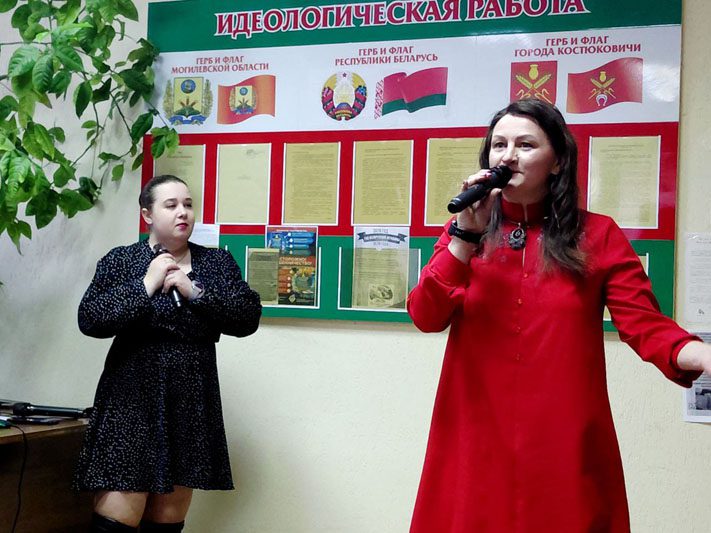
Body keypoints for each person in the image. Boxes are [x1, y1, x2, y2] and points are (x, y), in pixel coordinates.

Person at [407, 99, 711, 532]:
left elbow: (644, 324)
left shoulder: (599, 235)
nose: (507, 156)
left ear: (558, 161)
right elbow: (425, 315)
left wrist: (702, 355)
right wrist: (464, 238)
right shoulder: (464, 233)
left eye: (525, 145)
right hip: (475, 433)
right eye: (499, 145)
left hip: (563, 436)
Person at [74, 175, 262, 532]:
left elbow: (247, 317)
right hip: (131, 403)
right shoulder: (122, 260)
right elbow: (91, 319)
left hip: (188, 405)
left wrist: (194, 292)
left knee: (166, 524)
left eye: (188, 204)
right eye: (171, 205)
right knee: (115, 522)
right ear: (147, 214)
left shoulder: (216, 263)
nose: (183, 212)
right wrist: (147, 284)